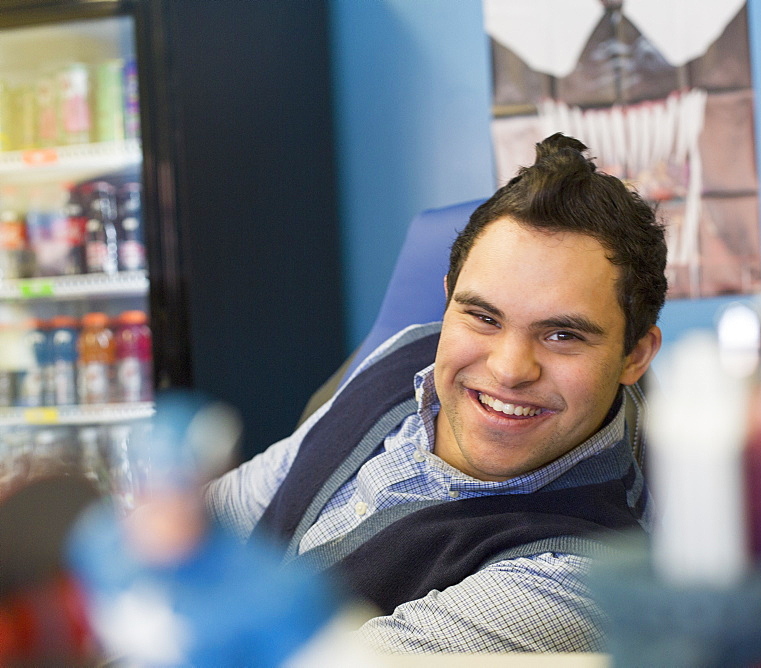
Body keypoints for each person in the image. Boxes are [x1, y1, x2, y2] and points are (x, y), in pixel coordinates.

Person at [205, 133, 667, 653]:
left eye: (563, 335)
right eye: (483, 317)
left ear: (635, 355)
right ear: (448, 301)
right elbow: (228, 507)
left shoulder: (578, 576)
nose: (509, 369)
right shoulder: (409, 353)